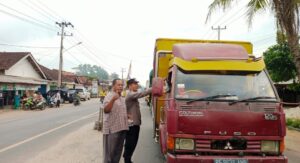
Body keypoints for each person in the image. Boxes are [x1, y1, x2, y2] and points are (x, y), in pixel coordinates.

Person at [123, 78, 152, 163]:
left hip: (135, 124)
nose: (137, 85)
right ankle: (127, 160)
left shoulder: (133, 94)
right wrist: (153, 88)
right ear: (130, 86)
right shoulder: (130, 94)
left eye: (137, 83)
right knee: (130, 143)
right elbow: (142, 93)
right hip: (131, 125)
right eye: (135, 84)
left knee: (133, 143)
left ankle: (128, 159)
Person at [103, 79, 128, 163]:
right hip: (112, 129)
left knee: (118, 153)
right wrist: (113, 100)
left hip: (122, 128)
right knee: (109, 154)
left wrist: (127, 116)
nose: (120, 86)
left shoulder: (122, 98)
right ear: (113, 86)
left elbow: (120, 111)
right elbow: (106, 110)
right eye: (118, 85)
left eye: (122, 85)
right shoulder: (109, 96)